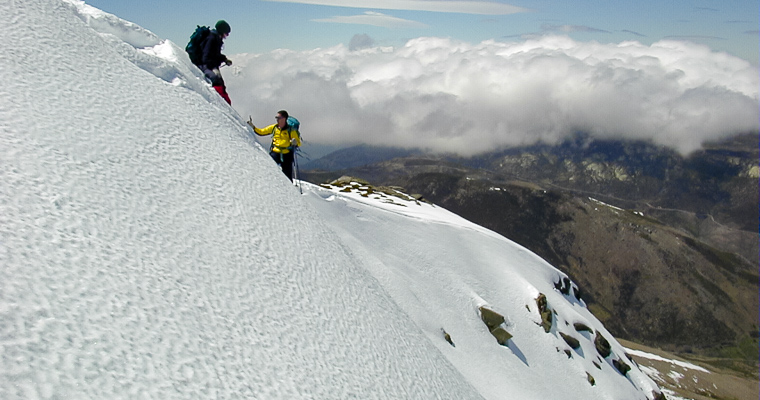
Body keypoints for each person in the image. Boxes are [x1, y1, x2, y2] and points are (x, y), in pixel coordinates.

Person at [247, 110, 302, 181]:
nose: (277, 119)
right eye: (277, 118)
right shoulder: (274, 128)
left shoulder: (291, 130)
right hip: (276, 152)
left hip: (287, 154)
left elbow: (298, 142)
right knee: (269, 168)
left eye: (279, 117)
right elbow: (262, 132)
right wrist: (253, 127)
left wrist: (295, 142)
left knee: (287, 176)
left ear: (284, 118)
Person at [200, 20, 232, 104]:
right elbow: (206, 56)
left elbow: (215, 54)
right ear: (222, 31)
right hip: (207, 66)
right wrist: (213, 66)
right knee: (217, 82)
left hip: (209, 65)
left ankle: (224, 102)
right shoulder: (212, 39)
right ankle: (220, 102)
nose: (227, 35)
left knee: (220, 84)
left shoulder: (215, 38)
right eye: (226, 33)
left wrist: (224, 59)